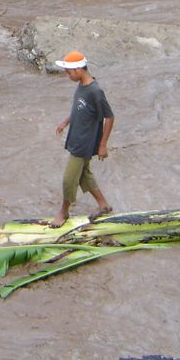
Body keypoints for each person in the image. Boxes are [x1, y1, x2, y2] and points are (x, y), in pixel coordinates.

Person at [51, 51, 114, 228]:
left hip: (84, 142)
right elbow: (79, 109)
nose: (67, 75)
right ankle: (104, 205)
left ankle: (63, 212)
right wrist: (65, 121)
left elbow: (109, 117)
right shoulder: (81, 86)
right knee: (84, 175)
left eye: (69, 72)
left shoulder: (95, 91)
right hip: (76, 137)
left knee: (69, 179)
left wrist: (103, 145)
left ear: (79, 69)